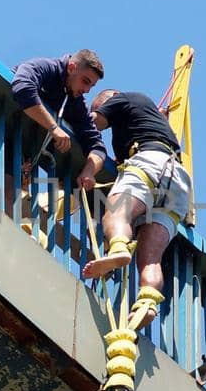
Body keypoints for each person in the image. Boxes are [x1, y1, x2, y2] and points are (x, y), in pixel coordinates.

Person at [80, 88, 194, 330]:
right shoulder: (149, 116)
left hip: (149, 163)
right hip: (179, 182)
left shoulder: (121, 98)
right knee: (151, 257)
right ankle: (147, 303)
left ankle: (118, 248)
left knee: (116, 212)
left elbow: (92, 124)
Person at [9, 50, 107, 195]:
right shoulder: (46, 67)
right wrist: (53, 127)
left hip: (12, 149)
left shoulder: (76, 103)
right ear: (72, 68)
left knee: (5, 191)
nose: (86, 90)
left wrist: (89, 171)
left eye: (91, 86)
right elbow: (22, 89)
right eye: (85, 81)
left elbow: (96, 146)